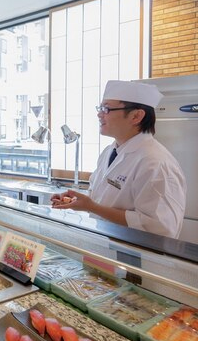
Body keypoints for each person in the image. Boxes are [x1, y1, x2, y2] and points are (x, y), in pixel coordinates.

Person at [51, 80, 186, 238]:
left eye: (106, 109)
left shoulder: (156, 163)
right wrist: (75, 201)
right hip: (102, 248)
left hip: (134, 258)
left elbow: (161, 228)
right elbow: (102, 199)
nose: (99, 114)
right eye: (100, 108)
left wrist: (93, 207)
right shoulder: (109, 152)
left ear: (136, 116)